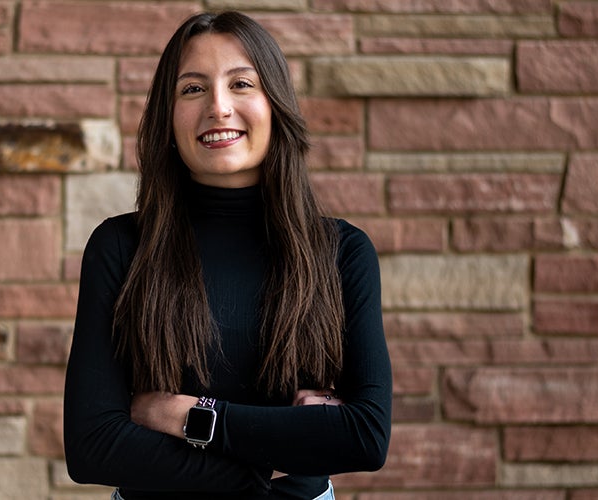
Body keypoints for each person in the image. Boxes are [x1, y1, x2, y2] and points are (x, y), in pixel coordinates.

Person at [63, 11, 391, 500]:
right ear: (166, 117)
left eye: (241, 84)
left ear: (274, 103)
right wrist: (260, 468)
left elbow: (365, 437)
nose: (218, 107)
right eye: (192, 89)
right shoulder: (120, 247)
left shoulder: (341, 252)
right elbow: (91, 446)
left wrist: (186, 416)